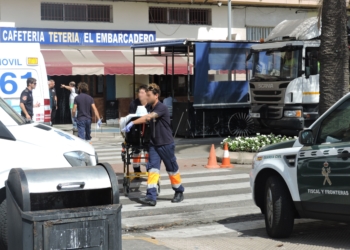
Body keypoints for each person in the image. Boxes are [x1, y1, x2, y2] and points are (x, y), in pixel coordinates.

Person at [122, 83, 185, 206]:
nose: (146, 97)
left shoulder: (161, 107)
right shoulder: (151, 108)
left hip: (165, 143)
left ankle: (179, 191)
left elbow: (148, 118)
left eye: (149, 95)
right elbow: (147, 116)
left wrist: (133, 123)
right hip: (154, 144)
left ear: (156, 95)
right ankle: (151, 196)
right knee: (152, 169)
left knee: (172, 169)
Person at [129, 85, 152, 173]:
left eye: (142, 93)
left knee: (148, 150)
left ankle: (149, 168)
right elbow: (131, 117)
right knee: (136, 150)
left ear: (147, 94)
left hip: (148, 131)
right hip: (136, 131)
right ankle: (136, 169)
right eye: (139, 92)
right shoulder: (134, 104)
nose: (140, 95)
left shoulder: (150, 105)